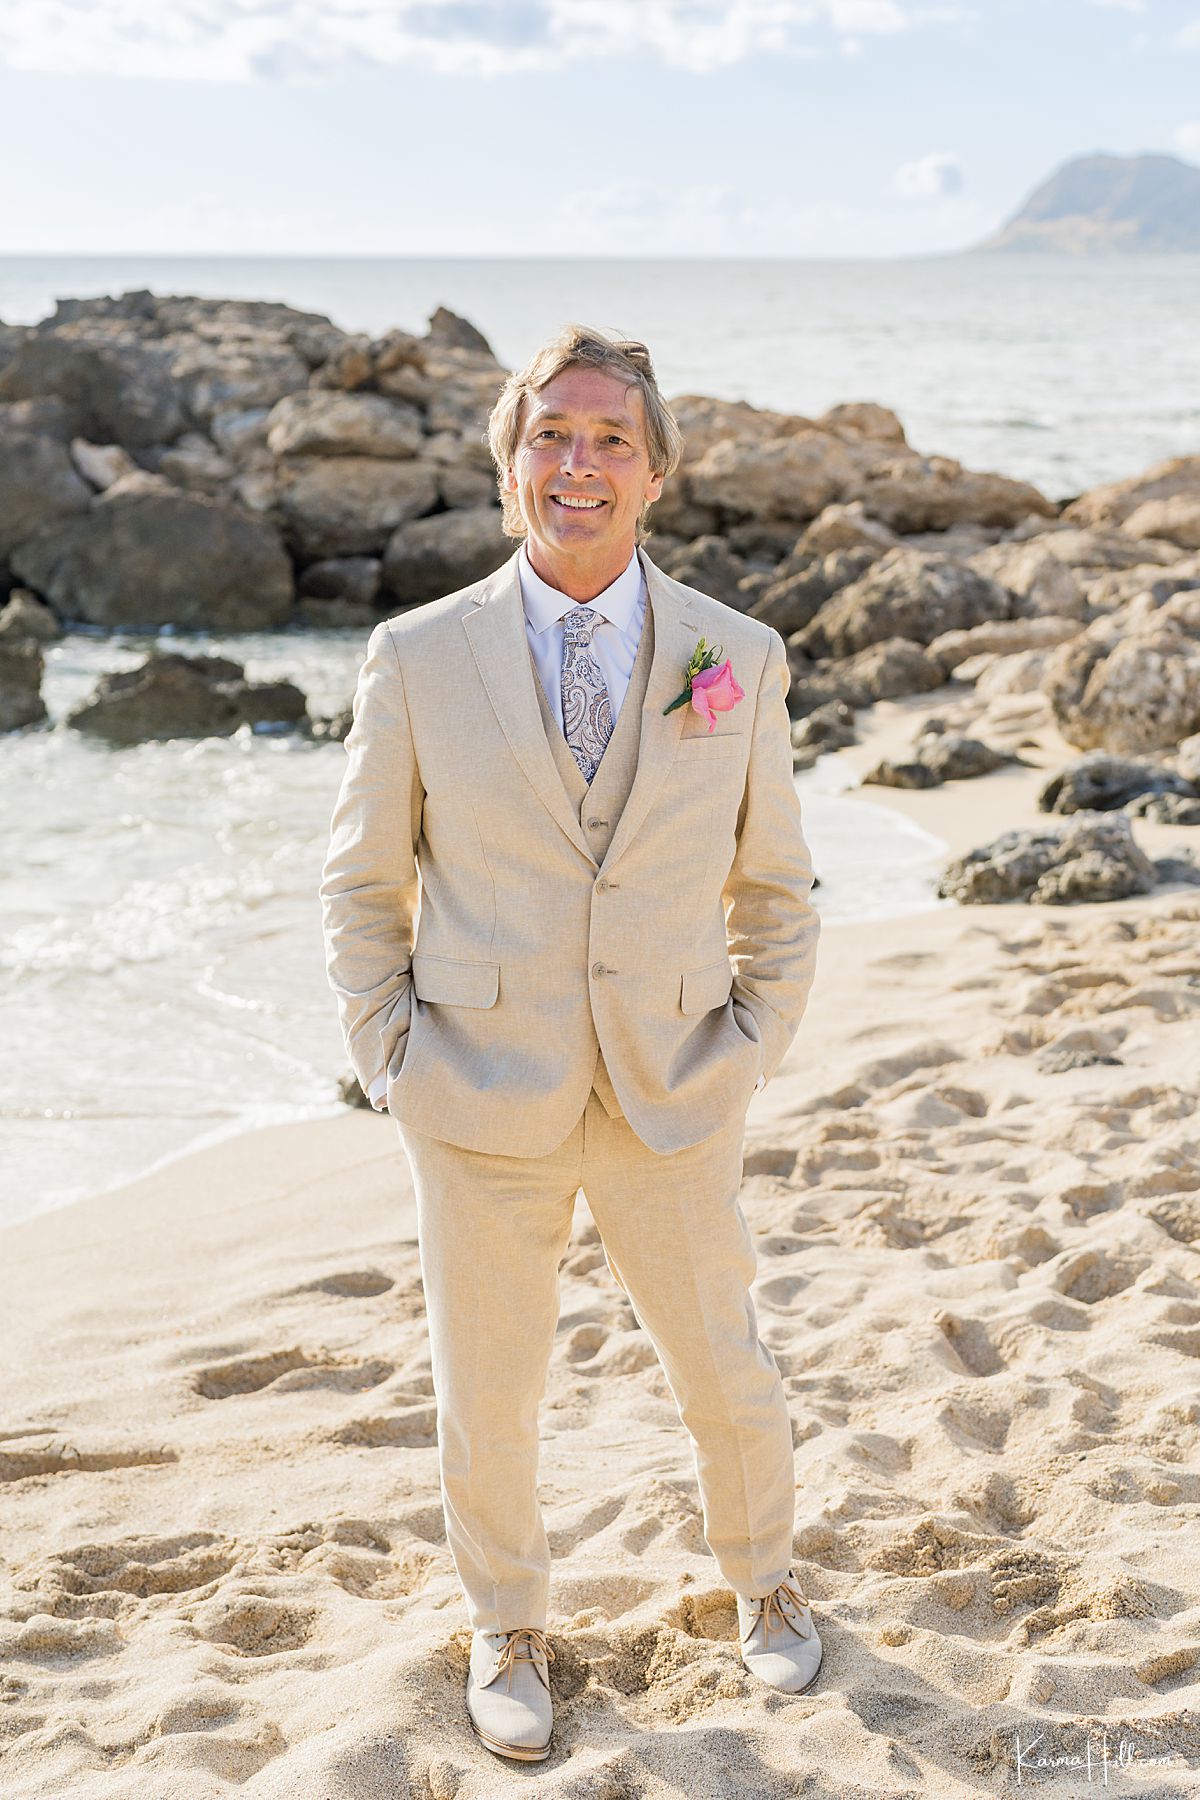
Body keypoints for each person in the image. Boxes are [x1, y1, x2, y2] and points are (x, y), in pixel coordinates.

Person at [319, 323, 823, 1763]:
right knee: (488, 1387)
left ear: (657, 472)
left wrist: (755, 1039)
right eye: (552, 435)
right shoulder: (418, 656)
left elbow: (777, 886)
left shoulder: (738, 654)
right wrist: (391, 1057)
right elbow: (363, 885)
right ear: (508, 466)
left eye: (611, 439)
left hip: (677, 1080)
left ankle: (765, 1583)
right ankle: (507, 1622)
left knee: (724, 1365)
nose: (580, 463)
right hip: (475, 1090)